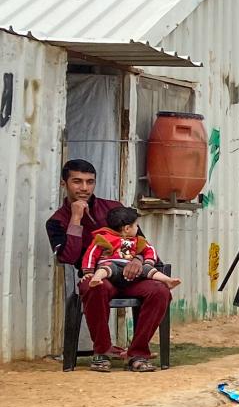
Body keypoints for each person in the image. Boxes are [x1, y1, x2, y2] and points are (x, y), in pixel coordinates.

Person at [45, 159, 172, 373]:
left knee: (160, 291)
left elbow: (141, 243)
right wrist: (75, 219)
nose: (84, 188)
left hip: (133, 276)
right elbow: (68, 257)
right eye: (77, 181)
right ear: (63, 183)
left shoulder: (114, 209)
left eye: (89, 182)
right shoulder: (57, 221)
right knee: (96, 287)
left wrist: (138, 261)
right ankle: (101, 352)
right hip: (97, 277)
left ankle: (137, 354)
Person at [82, 206, 182, 290]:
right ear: (127, 228)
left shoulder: (137, 240)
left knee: (148, 269)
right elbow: (91, 254)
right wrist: (88, 272)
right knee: (106, 268)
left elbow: (150, 250)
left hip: (131, 271)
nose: (138, 228)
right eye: (136, 225)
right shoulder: (104, 238)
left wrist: (148, 262)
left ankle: (167, 280)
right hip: (112, 266)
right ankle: (96, 278)